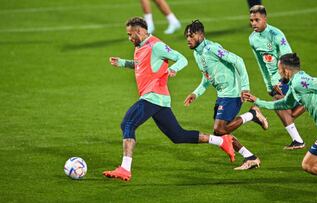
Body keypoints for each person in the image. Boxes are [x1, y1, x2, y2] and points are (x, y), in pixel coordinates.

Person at [103, 17, 236, 182]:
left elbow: (182, 58)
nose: (129, 38)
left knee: (128, 123)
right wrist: (122, 63)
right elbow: (140, 64)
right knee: (177, 136)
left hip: (153, 95)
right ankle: (221, 140)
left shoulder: (156, 45)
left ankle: (125, 168)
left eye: (131, 34)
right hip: (158, 99)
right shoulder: (140, 46)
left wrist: (173, 69)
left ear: (139, 31)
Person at [244, 53, 317, 202]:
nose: (279, 73)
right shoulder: (296, 83)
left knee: (309, 164)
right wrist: (258, 101)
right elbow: (284, 104)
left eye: (279, 70)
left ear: (286, 70)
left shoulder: (299, 81)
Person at [183, 20, 269, 170]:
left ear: (200, 35)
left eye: (191, 36)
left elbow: (239, 61)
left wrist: (245, 88)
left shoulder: (212, 48)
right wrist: (195, 93)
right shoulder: (197, 54)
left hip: (233, 93)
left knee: (220, 129)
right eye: (186, 37)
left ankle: (252, 115)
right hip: (222, 94)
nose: (188, 40)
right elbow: (207, 77)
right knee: (220, 132)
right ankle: (250, 157)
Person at [248, 5, 306, 150]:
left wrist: (282, 80)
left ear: (265, 19)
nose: (254, 23)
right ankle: (307, 101)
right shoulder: (252, 39)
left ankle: (298, 139)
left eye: (257, 20)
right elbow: (261, 63)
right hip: (273, 81)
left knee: (280, 105)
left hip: (285, 77)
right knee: (287, 110)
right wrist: (268, 84)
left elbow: (287, 59)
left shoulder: (276, 34)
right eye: (251, 20)